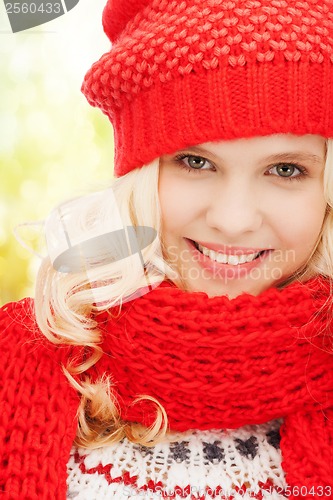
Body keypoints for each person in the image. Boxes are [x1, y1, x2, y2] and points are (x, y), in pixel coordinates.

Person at [1, 0, 333, 498]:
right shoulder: (22, 356)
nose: (233, 218)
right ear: (138, 177)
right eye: (195, 162)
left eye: (285, 170)